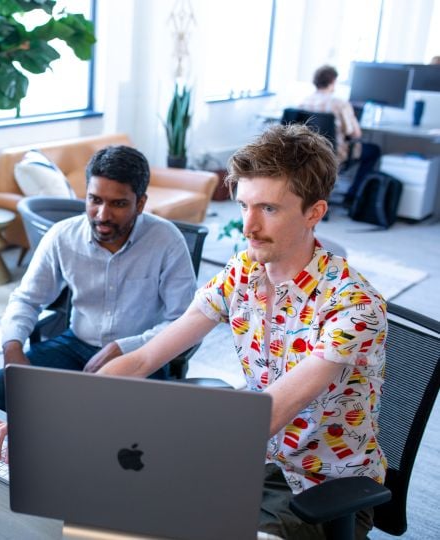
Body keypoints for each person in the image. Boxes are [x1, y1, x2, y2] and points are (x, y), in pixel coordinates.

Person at [90, 124, 386, 539]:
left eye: (268, 208)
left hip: (321, 486)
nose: (248, 227)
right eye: (244, 205)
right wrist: (65, 419)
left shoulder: (354, 306)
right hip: (256, 464)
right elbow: (144, 358)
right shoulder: (242, 272)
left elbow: (268, 412)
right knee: (121, 511)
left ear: (313, 213)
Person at [0, 145, 197, 411]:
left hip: (141, 356)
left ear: (140, 203)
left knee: (117, 425)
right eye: (95, 200)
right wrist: (12, 350)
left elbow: (185, 323)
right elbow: (26, 300)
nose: (103, 215)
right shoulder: (62, 236)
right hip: (74, 346)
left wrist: (124, 347)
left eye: (118, 204)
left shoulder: (167, 241)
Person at [300, 64, 381, 207]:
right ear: (333, 81)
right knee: (374, 151)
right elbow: (355, 133)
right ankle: (353, 196)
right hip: (334, 153)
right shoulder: (340, 103)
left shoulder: (303, 101)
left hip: (307, 153)